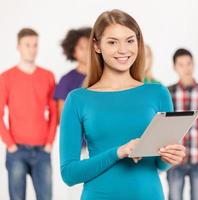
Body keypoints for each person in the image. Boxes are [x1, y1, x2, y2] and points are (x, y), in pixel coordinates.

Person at [59, 9, 186, 200]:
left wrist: (170, 157)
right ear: (97, 46)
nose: (123, 50)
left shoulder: (157, 93)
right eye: (112, 42)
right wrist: (119, 152)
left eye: (130, 40)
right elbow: (69, 174)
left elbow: (159, 165)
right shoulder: (77, 100)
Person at [0, 28, 57, 200]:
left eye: (35, 45)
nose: (32, 49)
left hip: (42, 150)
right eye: (27, 45)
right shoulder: (6, 77)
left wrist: (49, 142)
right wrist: (10, 144)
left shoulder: (47, 76)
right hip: (16, 150)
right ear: (18, 47)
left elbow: (54, 112)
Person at [167, 48, 198, 200]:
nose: (186, 68)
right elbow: (164, 128)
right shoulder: (168, 92)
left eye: (189, 63)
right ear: (174, 67)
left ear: (193, 65)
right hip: (175, 159)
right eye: (181, 64)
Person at [55, 27, 91, 120]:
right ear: (73, 51)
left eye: (88, 47)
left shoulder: (104, 76)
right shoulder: (66, 80)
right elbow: (62, 116)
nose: (86, 51)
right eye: (81, 48)